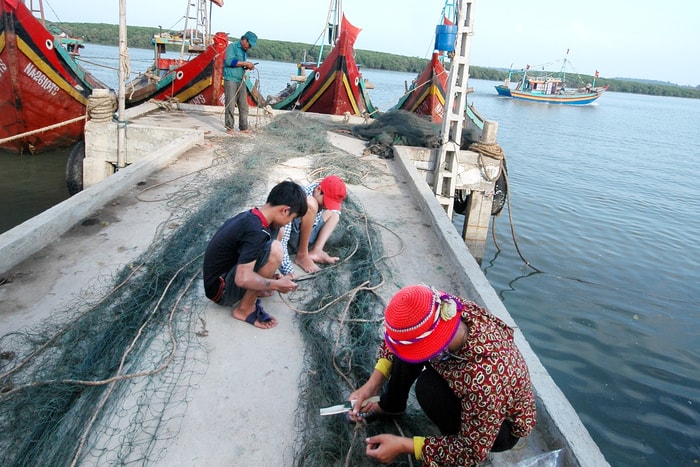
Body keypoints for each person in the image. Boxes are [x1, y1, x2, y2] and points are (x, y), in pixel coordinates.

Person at [347, 284, 536, 465]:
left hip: (499, 428)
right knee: (407, 351)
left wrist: (405, 445)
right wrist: (371, 385)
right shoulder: (444, 309)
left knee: (428, 388)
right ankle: (392, 405)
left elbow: (472, 450)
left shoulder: (484, 382)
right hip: (463, 377)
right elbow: (396, 343)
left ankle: (446, 448)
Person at [202, 180, 307, 329]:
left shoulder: (253, 217)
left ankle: (260, 284)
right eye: (291, 218)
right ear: (285, 210)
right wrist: (276, 285)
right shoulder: (256, 232)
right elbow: (242, 278)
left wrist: (268, 277)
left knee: (278, 232)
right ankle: (244, 309)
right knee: (275, 250)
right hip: (221, 291)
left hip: (223, 274)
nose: (288, 222)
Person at [278, 175, 347, 275]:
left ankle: (316, 251)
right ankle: (302, 255)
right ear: (318, 189)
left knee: (334, 214)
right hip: (292, 239)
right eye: (326, 202)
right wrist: (289, 272)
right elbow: (282, 239)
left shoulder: (316, 192)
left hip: (307, 233)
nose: (326, 206)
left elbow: (333, 209)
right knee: (311, 204)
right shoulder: (299, 197)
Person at [223, 31, 257, 135]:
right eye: (249, 44)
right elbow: (229, 61)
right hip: (230, 78)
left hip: (240, 79)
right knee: (231, 104)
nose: (250, 47)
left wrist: (247, 66)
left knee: (243, 105)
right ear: (244, 40)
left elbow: (239, 64)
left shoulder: (244, 51)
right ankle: (229, 127)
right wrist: (245, 63)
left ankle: (243, 127)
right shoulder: (232, 47)